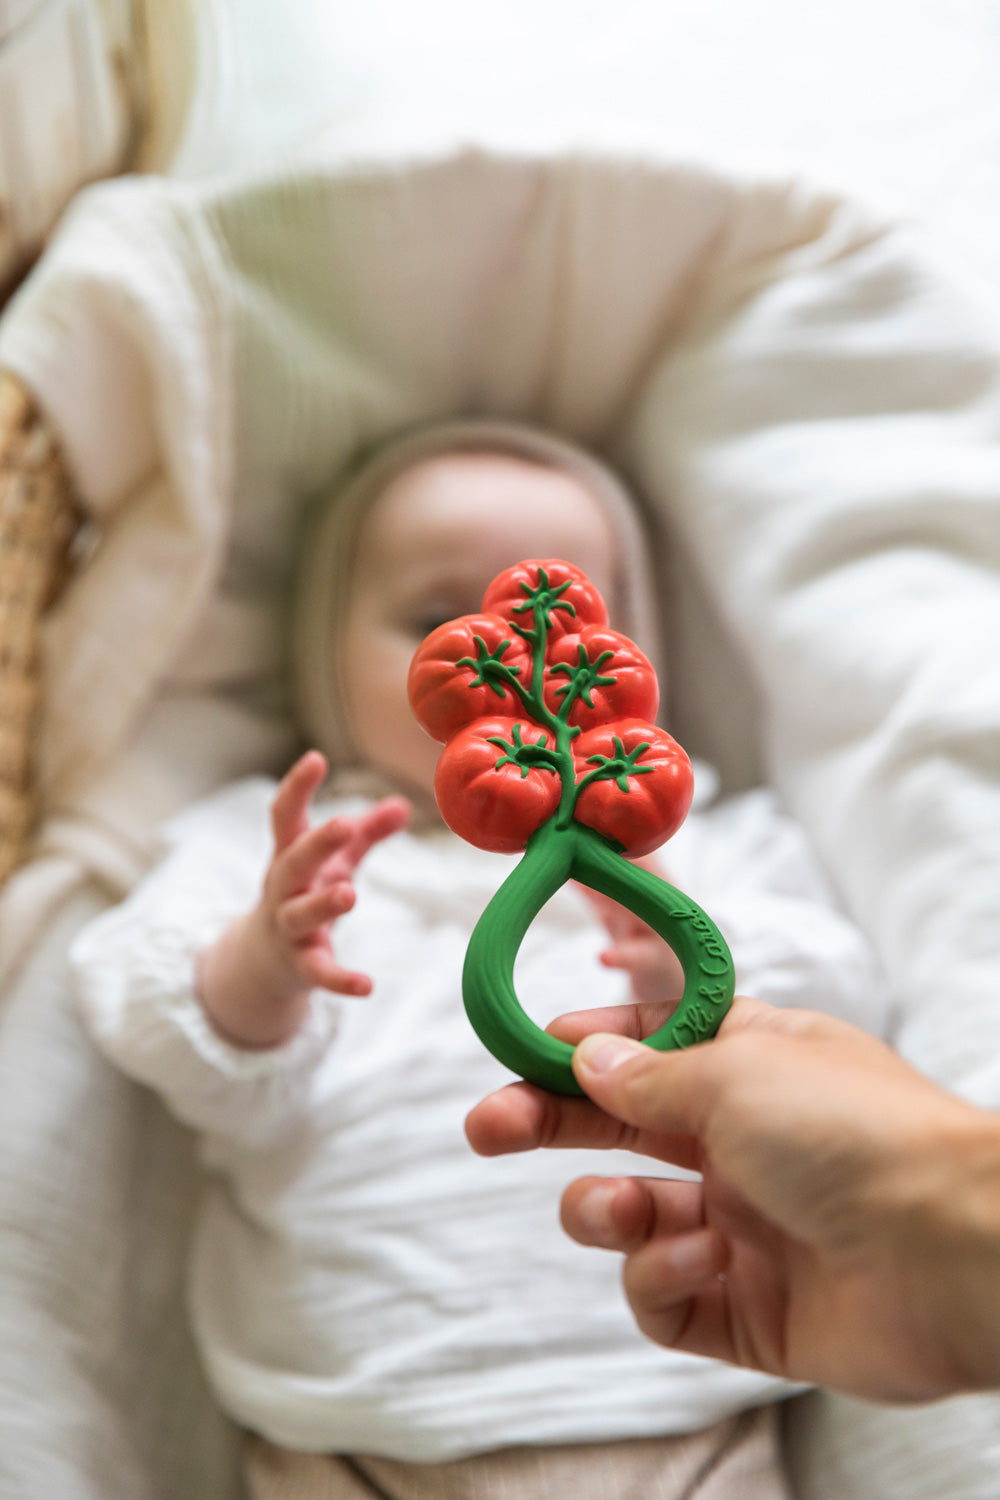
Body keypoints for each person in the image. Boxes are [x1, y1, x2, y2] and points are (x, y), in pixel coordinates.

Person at [69, 418, 887, 1500]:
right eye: (430, 616)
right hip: (356, 1426)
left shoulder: (706, 844)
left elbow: (837, 1013)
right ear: (327, 656)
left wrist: (678, 958)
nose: (517, 669)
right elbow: (152, 1021)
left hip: (685, 1412)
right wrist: (265, 961)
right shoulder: (277, 845)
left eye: (568, 628)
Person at [466, 996, 1000, 1404]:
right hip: (485, 1339)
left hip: (682, 1393)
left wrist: (658, 963)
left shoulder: (741, 881)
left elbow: (828, 992)